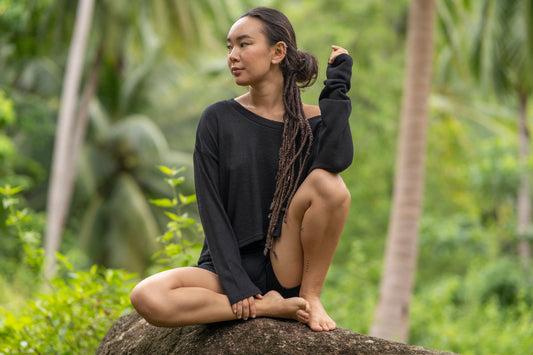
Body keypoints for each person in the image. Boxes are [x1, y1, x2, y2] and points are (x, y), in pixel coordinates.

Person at [130, 6, 353, 332]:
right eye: (229, 46)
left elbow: (337, 160)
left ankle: (310, 298)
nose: (233, 55)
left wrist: (337, 88)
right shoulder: (218, 119)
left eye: (244, 44)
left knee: (330, 184)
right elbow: (211, 207)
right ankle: (268, 308)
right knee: (147, 296)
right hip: (223, 270)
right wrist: (239, 287)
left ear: (278, 52)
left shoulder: (310, 122)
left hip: (283, 260)